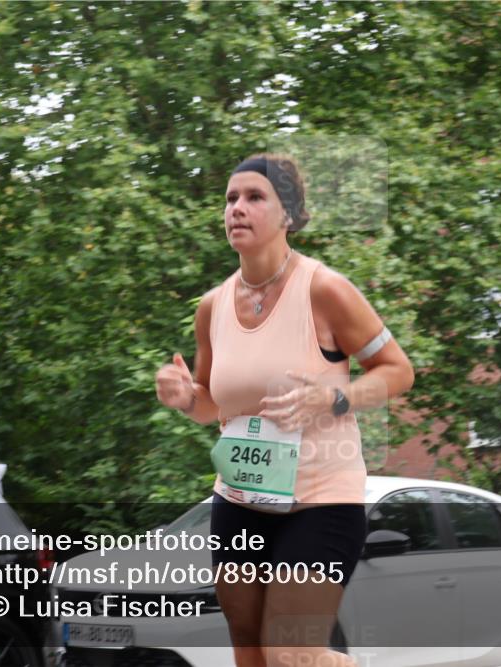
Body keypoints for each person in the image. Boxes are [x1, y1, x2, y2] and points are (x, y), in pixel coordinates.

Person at [155, 153, 414, 667]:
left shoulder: (325, 290)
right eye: (231, 199)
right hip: (239, 499)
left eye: (254, 198)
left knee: (291, 653)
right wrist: (183, 396)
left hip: (321, 502)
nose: (237, 209)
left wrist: (333, 396)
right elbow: (212, 407)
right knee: (250, 650)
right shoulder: (213, 306)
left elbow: (398, 371)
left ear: (288, 214)